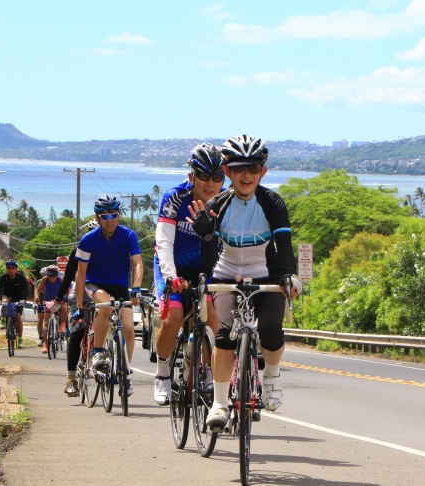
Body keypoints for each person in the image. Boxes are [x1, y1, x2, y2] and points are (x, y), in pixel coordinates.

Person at [187, 134, 301, 429]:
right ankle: (220, 404)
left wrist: (289, 274)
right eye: (239, 169)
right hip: (226, 276)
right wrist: (207, 235)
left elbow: (284, 243)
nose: (246, 175)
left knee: (271, 328)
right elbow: (209, 258)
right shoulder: (217, 204)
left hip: (268, 275)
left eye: (253, 168)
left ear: (263, 171)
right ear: (228, 172)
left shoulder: (272, 202)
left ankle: (272, 376)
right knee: (224, 333)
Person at [152, 143, 225, 406]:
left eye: (217, 177)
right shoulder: (175, 198)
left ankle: (206, 371)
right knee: (172, 319)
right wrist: (171, 277)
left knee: (213, 316)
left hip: (207, 269)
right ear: (192, 176)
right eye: (204, 176)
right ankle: (162, 372)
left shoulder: (225, 200)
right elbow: (164, 243)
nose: (210, 184)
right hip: (173, 267)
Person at [74, 196, 143, 397]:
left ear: (119, 215)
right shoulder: (88, 240)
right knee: (105, 306)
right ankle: (97, 352)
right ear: (97, 217)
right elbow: (81, 274)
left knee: (129, 329)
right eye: (105, 216)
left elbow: (138, 263)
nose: (110, 220)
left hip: (120, 285)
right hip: (95, 284)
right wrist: (79, 303)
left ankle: (125, 374)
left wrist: (136, 287)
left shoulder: (128, 236)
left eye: (114, 215)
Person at [53, 219, 97, 397]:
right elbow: (69, 277)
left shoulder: (111, 251)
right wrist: (58, 298)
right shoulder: (78, 253)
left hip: (102, 294)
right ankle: (71, 380)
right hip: (80, 295)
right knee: (77, 332)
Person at [0, 259, 30, 349]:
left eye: (13, 268)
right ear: (6, 269)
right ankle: (3, 318)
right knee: (4, 302)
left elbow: (26, 290)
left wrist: (23, 300)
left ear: (16, 269)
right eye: (8, 268)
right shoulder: (3, 277)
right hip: (7, 296)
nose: (11, 270)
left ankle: (20, 338)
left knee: (18, 317)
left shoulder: (21, 278)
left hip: (18, 298)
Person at [36, 264, 68, 354]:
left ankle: (62, 324)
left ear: (57, 275)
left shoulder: (61, 280)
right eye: (50, 275)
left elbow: (68, 291)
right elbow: (37, 290)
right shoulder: (44, 279)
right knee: (46, 322)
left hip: (59, 300)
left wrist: (69, 299)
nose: (52, 278)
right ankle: (45, 344)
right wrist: (37, 298)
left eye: (54, 275)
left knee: (64, 306)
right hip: (48, 301)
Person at [34, 268, 47, 345]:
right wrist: (36, 301)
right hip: (41, 301)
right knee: (40, 318)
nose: (44, 277)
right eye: (42, 275)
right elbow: (36, 292)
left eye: (45, 275)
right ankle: (40, 337)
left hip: (50, 301)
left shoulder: (51, 281)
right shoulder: (39, 282)